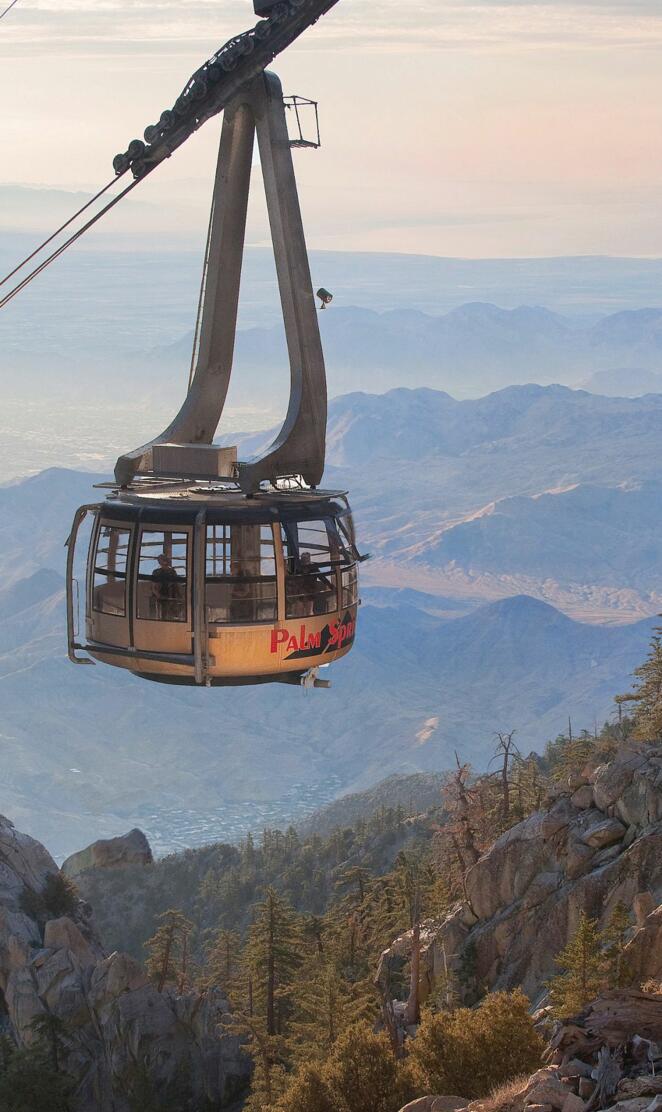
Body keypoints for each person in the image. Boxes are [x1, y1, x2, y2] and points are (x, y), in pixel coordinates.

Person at [151, 553, 181, 620]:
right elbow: (153, 586)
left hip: (170, 596)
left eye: (164, 559)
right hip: (161, 597)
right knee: (163, 615)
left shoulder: (172, 572)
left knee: (172, 615)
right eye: (161, 560)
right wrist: (158, 595)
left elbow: (176, 585)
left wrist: (178, 596)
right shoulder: (156, 572)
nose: (164, 561)